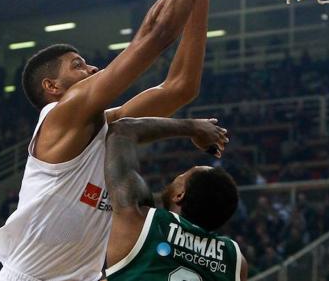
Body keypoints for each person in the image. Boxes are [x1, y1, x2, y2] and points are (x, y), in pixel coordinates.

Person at [0, 0, 241, 280]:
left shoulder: (106, 125)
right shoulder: (60, 116)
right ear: (52, 86)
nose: (90, 67)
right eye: (78, 65)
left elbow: (180, 87)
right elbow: (154, 36)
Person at [103, 117, 247, 281]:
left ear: (180, 195)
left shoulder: (140, 221)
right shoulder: (235, 260)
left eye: (182, 175)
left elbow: (121, 130)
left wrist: (194, 127)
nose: (176, 177)